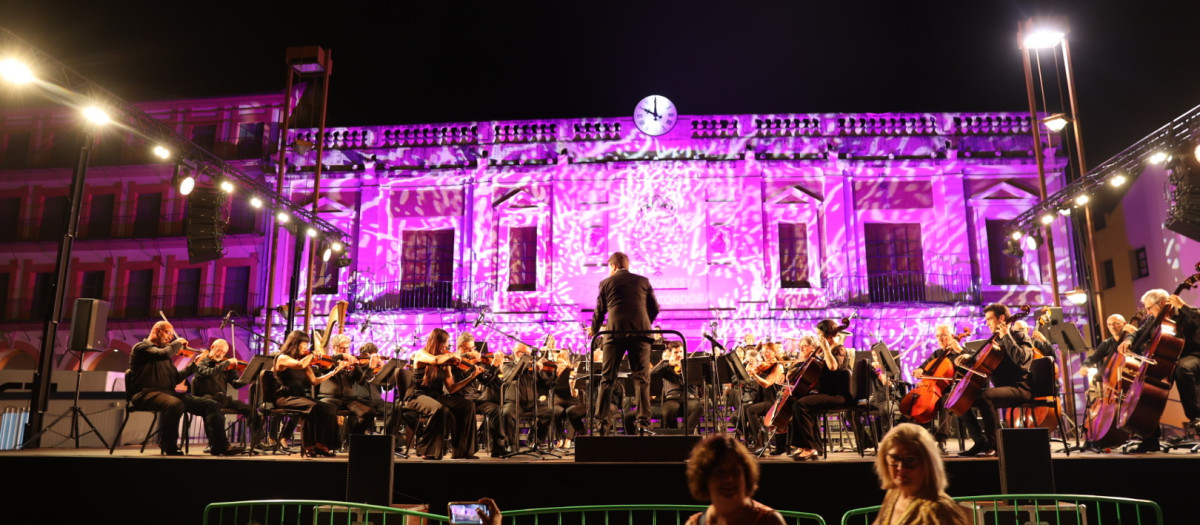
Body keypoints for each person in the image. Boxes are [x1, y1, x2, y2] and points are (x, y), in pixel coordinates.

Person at [127, 321, 244, 456]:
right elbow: (163, 354)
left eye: (172, 335)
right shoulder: (141, 347)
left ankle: (220, 446)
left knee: (211, 404)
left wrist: (195, 364)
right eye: (169, 333)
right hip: (145, 393)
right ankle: (168, 443)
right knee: (176, 404)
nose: (170, 337)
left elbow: (176, 378)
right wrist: (178, 342)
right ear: (158, 331)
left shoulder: (165, 354)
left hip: (168, 393)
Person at [1118, 289, 1200, 451]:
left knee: (1182, 369)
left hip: (1194, 356)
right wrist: (1128, 339)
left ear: (1162, 304)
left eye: (1150, 308)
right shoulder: (1155, 320)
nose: (1148, 312)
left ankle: (1195, 417)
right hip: (1170, 360)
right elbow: (1140, 332)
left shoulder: (1186, 313)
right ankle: (1149, 437)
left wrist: (1183, 306)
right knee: (1148, 388)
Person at [587, 251, 660, 435]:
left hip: (614, 334)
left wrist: (594, 329)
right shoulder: (643, 281)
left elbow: (599, 311)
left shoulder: (606, 283)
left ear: (612, 266)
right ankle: (643, 424)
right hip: (641, 334)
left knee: (607, 379)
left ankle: (601, 424)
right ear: (626, 265)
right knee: (642, 379)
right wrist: (644, 324)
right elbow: (654, 307)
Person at [955, 304, 1034, 457]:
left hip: (1021, 388)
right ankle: (980, 442)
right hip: (1001, 390)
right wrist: (969, 358)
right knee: (961, 398)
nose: (987, 323)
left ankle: (995, 445)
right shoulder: (994, 341)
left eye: (990, 319)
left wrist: (1006, 336)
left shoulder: (1020, 336)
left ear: (1002, 319)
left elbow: (1022, 359)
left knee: (986, 396)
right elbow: (983, 362)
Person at [870, 423, 971, 525]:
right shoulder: (895, 493)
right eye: (894, 458)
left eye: (910, 460)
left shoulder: (939, 512)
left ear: (928, 463)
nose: (901, 467)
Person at [407, 328, 481, 460]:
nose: (447, 346)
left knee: (467, 405)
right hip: (418, 395)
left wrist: (472, 376)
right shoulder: (420, 354)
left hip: (437, 396)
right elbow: (435, 360)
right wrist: (452, 355)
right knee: (440, 409)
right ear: (437, 342)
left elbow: (452, 388)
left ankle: (463, 451)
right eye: (445, 343)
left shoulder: (445, 362)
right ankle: (427, 450)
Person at [272, 330, 344, 457]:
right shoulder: (282, 358)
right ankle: (308, 446)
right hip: (285, 397)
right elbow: (299, 365)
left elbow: (314, 381)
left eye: (307, 344)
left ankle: (321, 444)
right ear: (295, 343)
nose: (306, 347)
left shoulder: (303, 360)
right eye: (304, 343)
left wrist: (333, 372)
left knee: (329, 407)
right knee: (313, 407)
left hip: (299, 396)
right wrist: (311, 354)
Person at [684, 435, 786, 525]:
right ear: (704, 478)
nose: (729, 479)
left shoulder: (769, 521)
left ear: (746, 476)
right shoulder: (695, 523)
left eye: (735, 472)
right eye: (720, 472)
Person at [790, 320, 852, 460]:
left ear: (828, 334)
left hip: (838, 395)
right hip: (825, 392)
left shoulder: (839, 349)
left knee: (801, 405)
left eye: (819, 334)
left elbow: (833, 367)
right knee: (798, 401)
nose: (818, 338)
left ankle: (809, 447)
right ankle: (811, 447)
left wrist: (826, 348)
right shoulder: (825, 350)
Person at [193, 338, 263, 449]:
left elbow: (235, 384)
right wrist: (226, 362)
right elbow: (209, 373)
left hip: (222, 398)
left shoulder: (225, 365)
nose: (221, 354)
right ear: (212, 347)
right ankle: (214, 443)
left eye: (224, 352)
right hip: (206, 399)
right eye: (219, 350)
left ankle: (257, 442)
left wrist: (249, 377)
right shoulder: (202, 362)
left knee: (251, 410)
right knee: (215, 410)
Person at [318, 334, 377, 439]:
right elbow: (328, 362)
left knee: (369, 412)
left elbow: (362, 382)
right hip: (330, 398)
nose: (345, 351)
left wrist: (371, 368)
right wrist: (341, 356)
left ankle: (354, 438)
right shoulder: (328, 360)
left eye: (347, 348)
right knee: (326, 411)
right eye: (341, 348)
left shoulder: (353, 363)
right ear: (334, 348)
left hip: (350, 400)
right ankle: (325, 443)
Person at [651, 341, 701, 431]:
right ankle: (674, 434)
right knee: (667, 412)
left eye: (681, 352)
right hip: (672, 398)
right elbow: (652, 373)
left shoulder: (690, 365)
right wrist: (668, 364)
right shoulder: (666, 367)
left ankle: (685, 433)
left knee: (698, 408)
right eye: (676, 352)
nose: (679, 355)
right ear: (670, 354)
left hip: (689, 398)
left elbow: (700, 382)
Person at [1080, 314, 1129, 382]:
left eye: (1116, 323)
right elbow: (1093, 358)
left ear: (1125, 324)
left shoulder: (1131, 340)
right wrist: (1085, 366)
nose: (1112, 327)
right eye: (1109, 324)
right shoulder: (1106, 343)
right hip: (1113, 380)